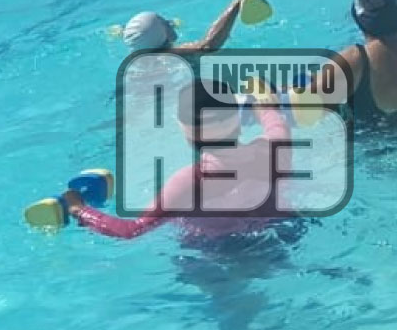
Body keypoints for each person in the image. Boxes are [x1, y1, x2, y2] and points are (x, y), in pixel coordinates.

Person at [61, 79, 294, 240]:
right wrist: (263, 103)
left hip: (221, 254)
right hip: (285, 231)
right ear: (238, 120)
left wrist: (79, 210)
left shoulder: (189, 182)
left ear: (186, 131)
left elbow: (131, 230)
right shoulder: (275, 148)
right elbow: (275, 120)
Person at [120, 0, 265, 56]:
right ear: (159, 34)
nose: (170, 23)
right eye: (164, 23)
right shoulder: (167, 56)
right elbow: (208, 45)